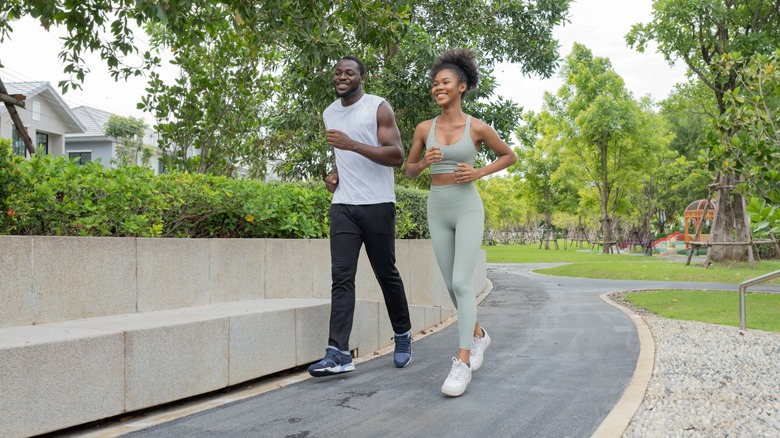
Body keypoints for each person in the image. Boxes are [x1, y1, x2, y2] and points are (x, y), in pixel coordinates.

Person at [405, 48, 517, 396]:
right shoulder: (424, 128)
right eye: (435, 83)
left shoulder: (477, 127)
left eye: (445, 82)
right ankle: (479, 335)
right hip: (437, 207)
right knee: (453, 287)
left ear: (462, 87)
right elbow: (409, 170)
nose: (438, 87)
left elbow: (509, 155)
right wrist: (424, 163)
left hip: (467, 206)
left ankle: (463, 361)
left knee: (461, 282)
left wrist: (479, 172)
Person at [308, 56, 414, 377]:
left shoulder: (378, 107)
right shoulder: (329, 112)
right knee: (341, 278)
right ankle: (338, 352)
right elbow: (345, 158)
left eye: (349, 73)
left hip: (378, 204)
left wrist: (352, 144)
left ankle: (403, 335)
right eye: (338, 72)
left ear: (361, 78)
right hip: (343, 206)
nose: (342, 77)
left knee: (386, 274)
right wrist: (334, 174)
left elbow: (396, 155)